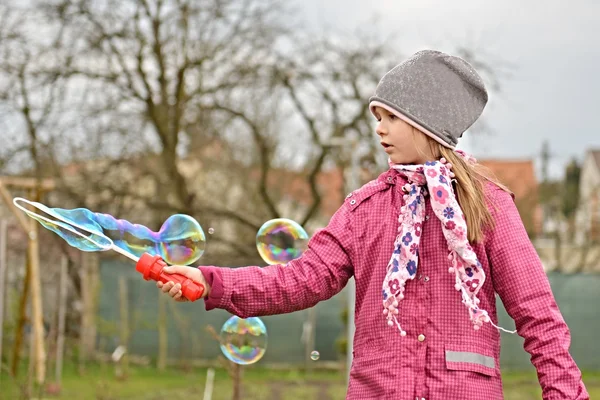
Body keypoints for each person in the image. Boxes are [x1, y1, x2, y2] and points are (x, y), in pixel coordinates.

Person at [157, 50, 588, 399]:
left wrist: (564, 394)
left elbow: (538, 316)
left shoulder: (487, 205)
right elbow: (301, 279)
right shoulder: (364, 209)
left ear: (427, 125)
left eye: (391, 117)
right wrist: (211, 281)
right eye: (377, 117)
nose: (379, 129)